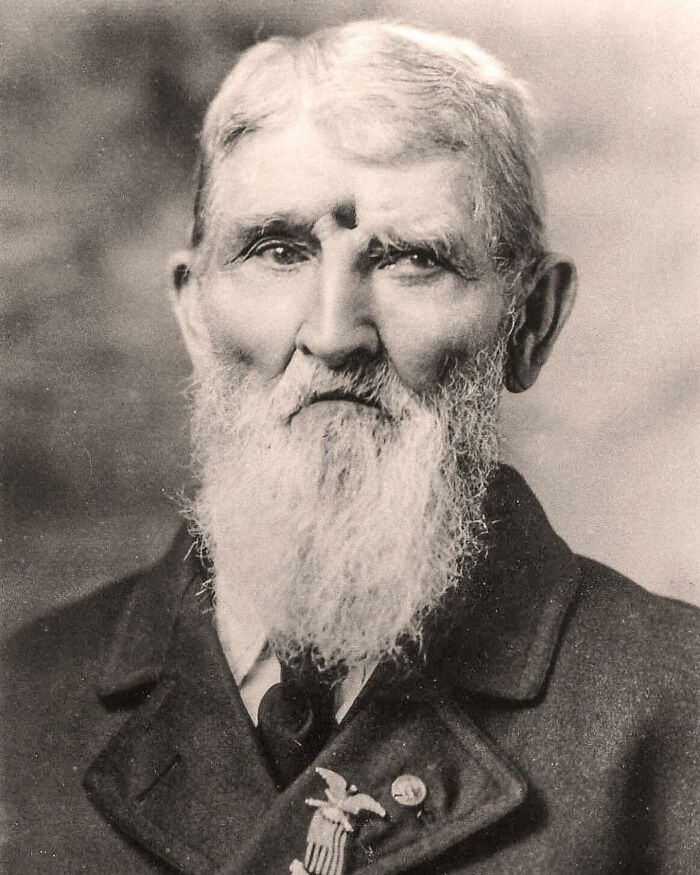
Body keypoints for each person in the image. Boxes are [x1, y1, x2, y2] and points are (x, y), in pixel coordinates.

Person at [2, 20, 698, 875]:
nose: (334, 333)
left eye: (411, 260)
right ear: (195, 314)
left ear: (532, 322)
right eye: (277, 250)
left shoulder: (679, 710)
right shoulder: (21, 702)